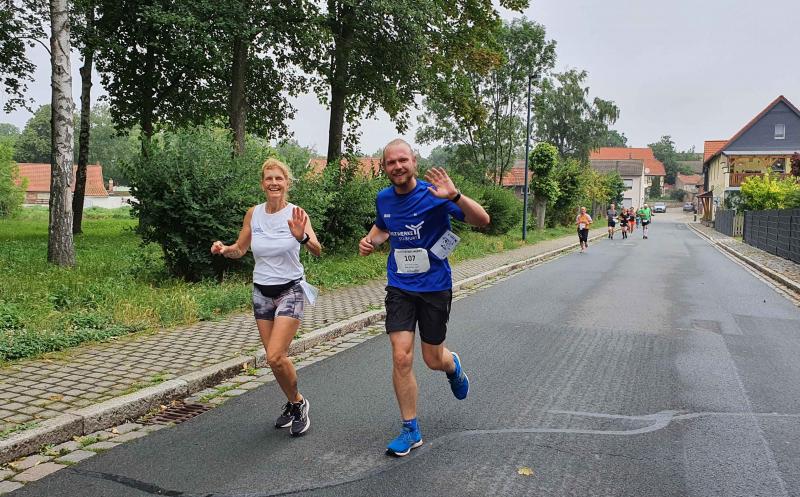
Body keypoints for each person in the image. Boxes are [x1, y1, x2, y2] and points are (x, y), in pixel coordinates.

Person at [358, 138, 490, 457]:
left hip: (434, 287)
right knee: (401, 355)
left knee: (432, 359)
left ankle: (452, 365)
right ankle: (410, 429)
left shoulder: (435, 195)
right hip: (400, 287)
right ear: (384, 167)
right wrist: (370, 241)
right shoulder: (383, 198)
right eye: (391, 162)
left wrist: (455, 195)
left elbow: (482, 220)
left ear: (414, 162)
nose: (398, 166)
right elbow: (383, 227)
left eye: (403, 160)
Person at [211, 158, 321, 437]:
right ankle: (293, 402)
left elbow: (318, 250)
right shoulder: (254, 214)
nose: (274, 183)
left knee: (275, 355)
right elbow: (241, 249)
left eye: (278, 178)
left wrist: (302, 237)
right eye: (269, 178)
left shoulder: (297, 213)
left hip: (290, 290)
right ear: (262, 184)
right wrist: (224, 249)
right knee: (274, 359)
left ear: (287, 183)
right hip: (261, 292)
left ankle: (300, 403)